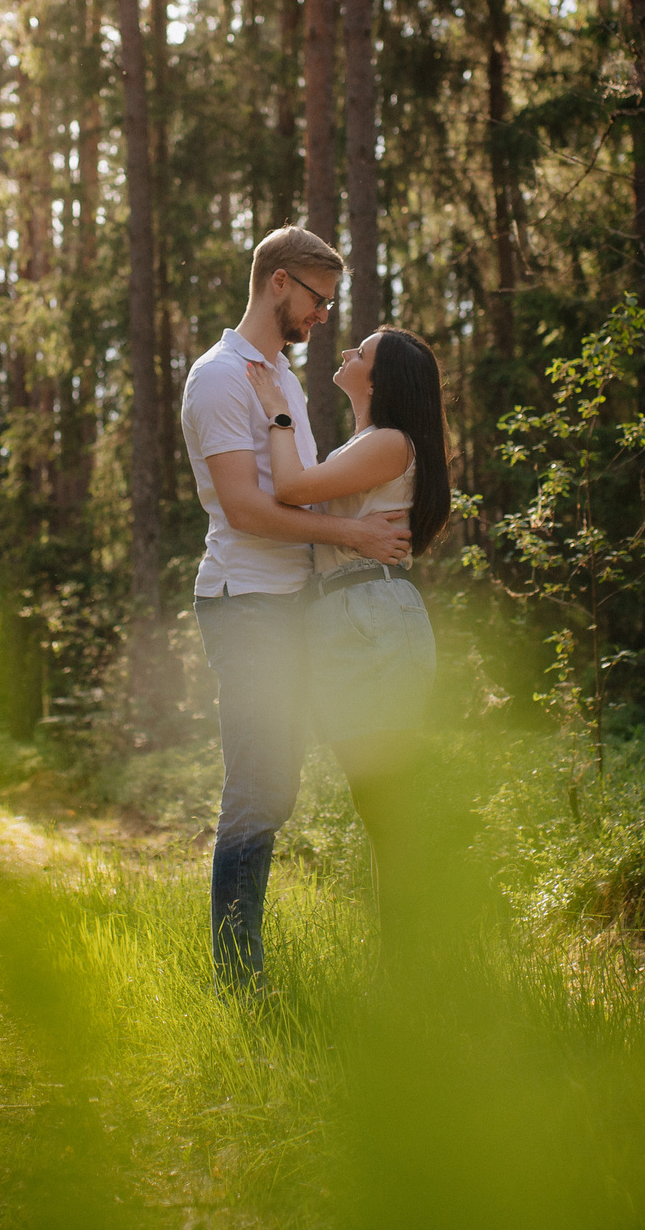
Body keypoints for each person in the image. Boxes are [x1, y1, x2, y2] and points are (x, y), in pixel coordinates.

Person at [179, 227, 412, 988]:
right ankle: (238, 981)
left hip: (293, 603)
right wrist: (354, 534)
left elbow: (300, 487)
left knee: (291, 784)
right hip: (247, 603)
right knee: (260, 789)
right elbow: (247, 508)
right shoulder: (221, 377)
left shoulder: (279, 378)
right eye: (318, 298)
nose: (323, 316)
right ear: (279, 281)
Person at [248, 328, 449, 954]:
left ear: (380, 380)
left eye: (360, 353)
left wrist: (277, 410)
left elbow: (290, 490)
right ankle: (406, 963)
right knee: (377, 804)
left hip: (373, 618)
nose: (345, 354)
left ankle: (414, 965)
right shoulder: (367, 444)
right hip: (351, 616)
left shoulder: (389, 442)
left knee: (387, 804)